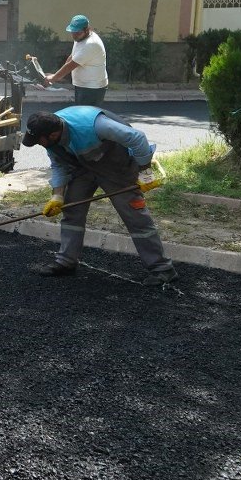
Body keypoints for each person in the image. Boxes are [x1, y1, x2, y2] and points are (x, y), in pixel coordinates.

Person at [23, 107, 178, 286]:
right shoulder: (51, 138)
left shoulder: (96, 125)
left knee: (135, 216)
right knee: (71, 210)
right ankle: (66, 261)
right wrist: (57, 196)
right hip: (83, 168)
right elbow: (59, 165)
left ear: (53, 134)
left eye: (38, 140)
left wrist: (145, 172)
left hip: (116, 168)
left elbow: (137, 137)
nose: (38, 144)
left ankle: (162, 269)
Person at [43, 14, 108, 105]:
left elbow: (71, 65)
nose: (74, 35)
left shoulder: (90, 44)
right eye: (73, 32)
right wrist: (57, 75)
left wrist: (53, 78)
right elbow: (72, 56)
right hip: (84, 85)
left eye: (77, 33)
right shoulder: (80, 37)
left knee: (86, 116)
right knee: (81, 113)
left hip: (92, 88)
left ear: (86, 30)